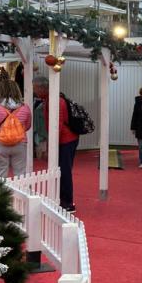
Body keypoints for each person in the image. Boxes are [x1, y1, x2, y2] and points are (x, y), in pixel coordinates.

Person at [33, 76, 79, 212]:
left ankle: (68, 202)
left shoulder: (54, 101)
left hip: (65, 140)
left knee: (64, 171)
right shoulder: (52, 99)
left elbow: (56, 124)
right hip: (66, 138)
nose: (34, 91)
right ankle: (62, 199)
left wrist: (51, 146)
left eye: (35, 88)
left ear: (42, 87)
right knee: (63, 170)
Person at [0, 81, 31, 178]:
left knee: (0, 173)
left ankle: (1, 193)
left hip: (0, 143)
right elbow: (27, 126)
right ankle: (21, 192)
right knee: (20, 173)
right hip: (20, 143)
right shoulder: (25, 107)